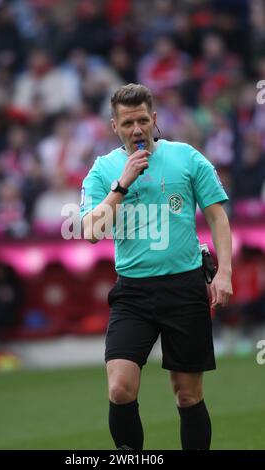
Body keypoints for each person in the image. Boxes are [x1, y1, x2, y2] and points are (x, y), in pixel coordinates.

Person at [80, 83, 233, 450]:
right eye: (128, 122)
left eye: (143, 120)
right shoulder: (104, 170)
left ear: (155, 120)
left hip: (184, 287)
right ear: (114, 126)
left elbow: (218, 218)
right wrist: (122, 185)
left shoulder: (187, 157)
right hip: (133, 292)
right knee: (120, 388)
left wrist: (225, 271)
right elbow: (89, 232)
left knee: (187, 395)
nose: (137, 129)